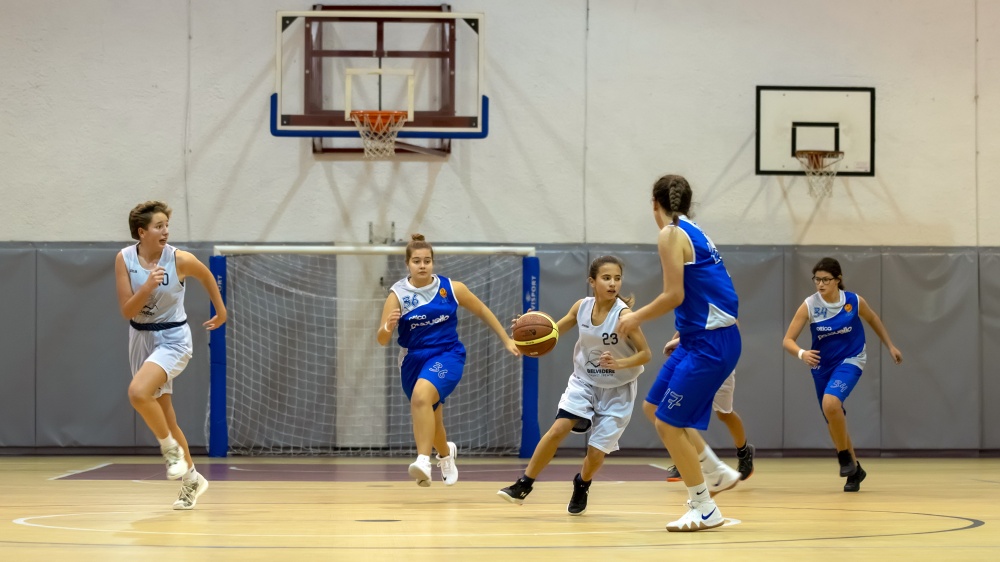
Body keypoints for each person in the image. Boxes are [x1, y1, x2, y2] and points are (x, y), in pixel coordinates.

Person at [616, 174, 742, 532]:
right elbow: (711, 289)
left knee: (668, 423)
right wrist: (685, 329)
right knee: (654, 407)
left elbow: (674, 295)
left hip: (710, 343)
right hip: (698, 337)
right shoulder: (694, 231)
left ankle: (704, 508)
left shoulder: (670, 234)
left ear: (654, 204)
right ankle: (715, 471)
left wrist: (635, 317)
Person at [497, 256, 652, 515]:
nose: (613, 283)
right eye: (606, 278)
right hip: (584, 381)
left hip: (618, 390)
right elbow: (551, 332)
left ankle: (582, 483)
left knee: (595, 453)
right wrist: (527, 332)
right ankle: (524, 484)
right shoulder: (581, 307)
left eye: (617, 278)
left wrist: (620, 363)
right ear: (592, 281)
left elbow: (646, 354)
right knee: (558, 428)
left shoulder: (624, 315)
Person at [377, 234, 520, 486]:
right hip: (412, 359)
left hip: (447, 354)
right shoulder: (397, 295)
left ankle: (423, 460)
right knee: (431, 416)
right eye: (417, 261)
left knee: (421, 396)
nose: (422, 265)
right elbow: (381, 339)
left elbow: (482, 310)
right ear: (407, 264)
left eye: (427, 261)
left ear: (433, 262)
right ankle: (445, 454)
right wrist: (387, 327)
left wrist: (506, 339)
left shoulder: (451, 288)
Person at [114, 201, 227, 510]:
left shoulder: (179, 259)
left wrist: (220, 310)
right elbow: (127, 311)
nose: (165, 231)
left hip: (173, 339)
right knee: (165, 416)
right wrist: (147, 287)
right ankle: (192, 480)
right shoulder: (125, 259)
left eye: (167, 225)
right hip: (140, 338)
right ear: (142, 232)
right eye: (158, 226)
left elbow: (207, 276)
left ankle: (170, 452)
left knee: (138, 393)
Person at [782, 257, 902, 492]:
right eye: (817, 279)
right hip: (821, 365)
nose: (820, 284)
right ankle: (855, 471)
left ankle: (844, 456)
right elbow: (787, 340)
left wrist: (890, 345)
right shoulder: (809, 305)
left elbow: (873, 319)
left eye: (825, 279)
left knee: (831, 403)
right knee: (832, 414)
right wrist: (802, 353)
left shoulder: (853, 301)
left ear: (838, 280)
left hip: (851, 359)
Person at [648, 334, 754, 484]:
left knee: (724, 414)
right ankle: (686, 457)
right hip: (694, 362)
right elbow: (684, 328)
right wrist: (676, 342)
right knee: (679, 412)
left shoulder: (724, 320)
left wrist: (679, 340)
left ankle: (744, 452)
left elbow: (721, 331)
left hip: (719, 361)